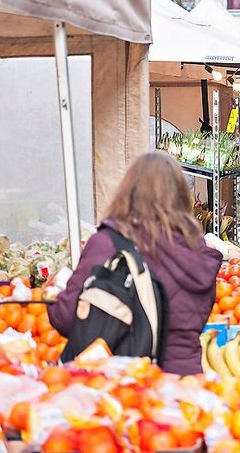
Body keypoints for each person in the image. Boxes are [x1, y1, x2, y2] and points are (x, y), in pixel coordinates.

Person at [48, 152, 223, 376]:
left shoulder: (109, 243)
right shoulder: (197, 252)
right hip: (185, 382)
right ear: (181, 197)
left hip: (128, 385)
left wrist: (57, 294)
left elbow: (66, 318)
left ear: (127, 192)